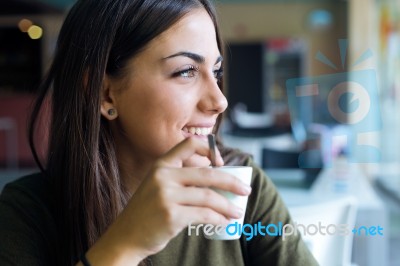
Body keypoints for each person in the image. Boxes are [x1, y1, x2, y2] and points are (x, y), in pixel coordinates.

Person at [0, 0, 318, 265]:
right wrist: (125, 245)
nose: (220, 101)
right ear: (104, 93)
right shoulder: (27, 215)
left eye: (216, 72)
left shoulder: (242, 184)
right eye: (186, 72)